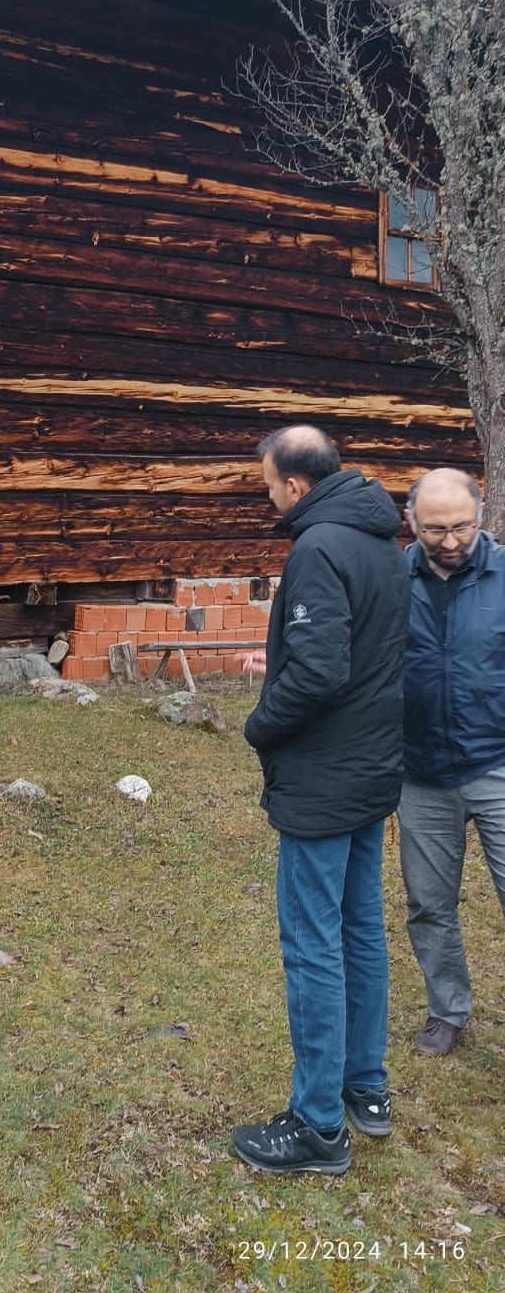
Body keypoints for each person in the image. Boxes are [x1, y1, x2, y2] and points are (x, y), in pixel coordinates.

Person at [232, 424, 410, 1175]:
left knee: (313, 945)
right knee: (360, 928)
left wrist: (258, 725)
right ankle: (365, 1089)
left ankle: (316, 1127)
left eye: (268, 483)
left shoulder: (318, 549)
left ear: (296, 485)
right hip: (370, 772)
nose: (268, 494)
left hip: (324, 780)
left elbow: (318, 673)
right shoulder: (379, 542)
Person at [399, 467, 505, 1057]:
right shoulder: (392, 578)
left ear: (480, 514)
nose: (449, 540)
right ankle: (447, 1009)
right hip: (419, 774)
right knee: (429, 902)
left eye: (461, 526)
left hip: (496, 762)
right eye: (435, 528)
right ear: (411, 521)